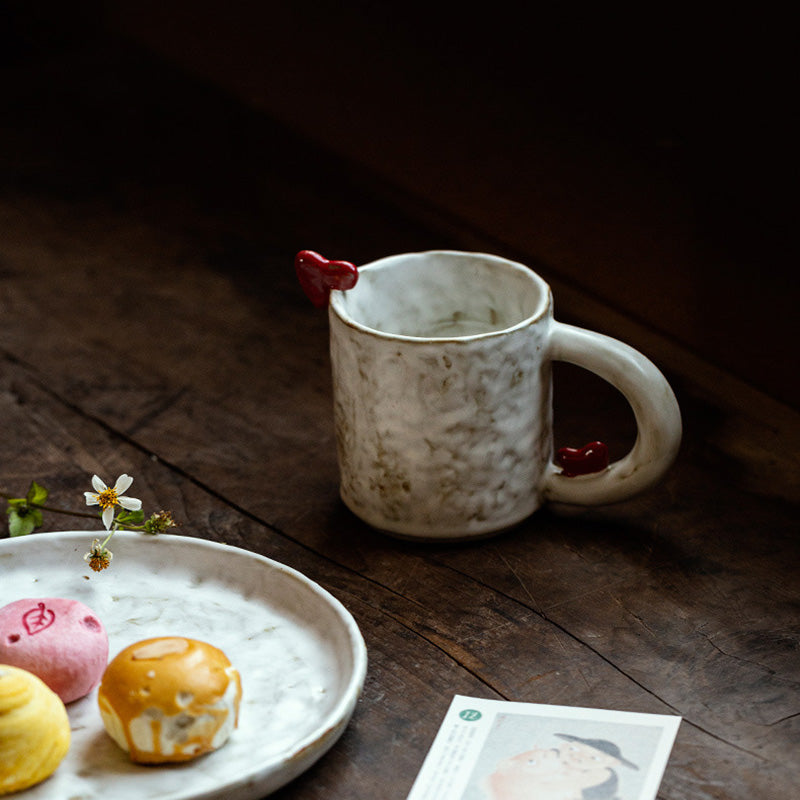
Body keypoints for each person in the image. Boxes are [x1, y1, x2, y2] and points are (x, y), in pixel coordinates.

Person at [485, 733, 638, 800]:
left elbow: (556, 788)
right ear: (564, 746)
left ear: (610, 763)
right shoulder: (551, 757)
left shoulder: (602, 774)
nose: (579, 757)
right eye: (575, 749)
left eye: (594, 757)